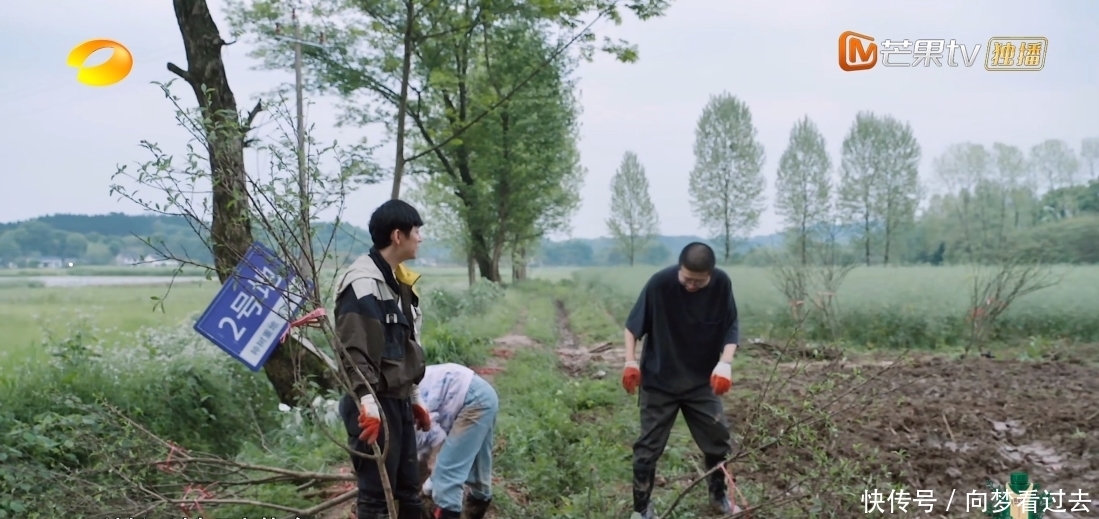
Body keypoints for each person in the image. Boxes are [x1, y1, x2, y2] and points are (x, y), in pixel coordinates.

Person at [620, 242, 741, 519]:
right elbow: (632, 327)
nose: (691, 286)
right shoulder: (660, 284)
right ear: (679, 268)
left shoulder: (721, 284)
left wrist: (725, 363)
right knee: (648, 448)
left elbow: (731, 326)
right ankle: (641, 509)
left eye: (699, 281)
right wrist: (629, 362)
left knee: (718, 439)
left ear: (710, 274)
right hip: (660, 381)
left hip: (701, 382)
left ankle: (719, 498)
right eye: (687, 279)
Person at [335, 199, 432, 519]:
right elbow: (353, 349)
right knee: (377, 496)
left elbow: (405, 344)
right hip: (373, 403)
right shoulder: (362, 283)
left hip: (398, 399)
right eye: (416, 230)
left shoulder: (399, 281)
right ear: (397, 236)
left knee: (408, 490)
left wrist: (415, 396)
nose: (420, 237)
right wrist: (367, 401)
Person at [414, 363, 499, 519]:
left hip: (471, 399)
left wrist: (431, 483)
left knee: (447, 475)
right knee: (479, 466)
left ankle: (448, 510)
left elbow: (436, 441)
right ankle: (476, 508)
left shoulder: (402, 418)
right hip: (482, 393)